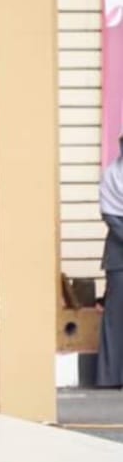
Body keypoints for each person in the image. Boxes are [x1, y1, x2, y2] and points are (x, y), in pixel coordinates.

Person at [97, 137, 123, 388]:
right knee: (116, 317)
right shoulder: (111, 176)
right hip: (119, 257)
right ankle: (111, 376)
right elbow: (109, 216)